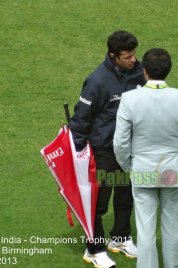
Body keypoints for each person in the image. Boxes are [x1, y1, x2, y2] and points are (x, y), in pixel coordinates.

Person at [113, 48, 178, 268]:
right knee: (176, 227)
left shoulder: (130, 99)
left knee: (145, 229)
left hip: (142, 169)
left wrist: (129, 167)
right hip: (174, 170)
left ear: (144, 71)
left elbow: (120, 142)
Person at [69, 30, 146, 268]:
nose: (133, 59)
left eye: (134, 54)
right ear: (113, 56)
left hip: (129, 149)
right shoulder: (97, 81)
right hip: (103, 151)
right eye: (127, 56)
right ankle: (94, 249)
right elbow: (80, 121)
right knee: (99, 202)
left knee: (125, 196)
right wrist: (79, 154)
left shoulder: (139, 73)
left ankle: (120, 238)